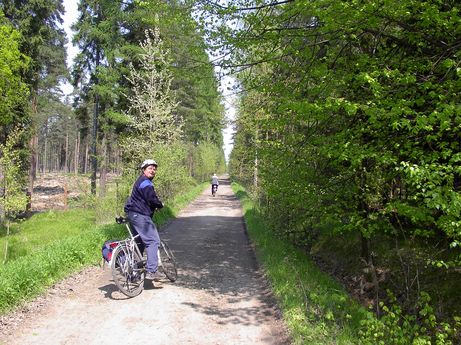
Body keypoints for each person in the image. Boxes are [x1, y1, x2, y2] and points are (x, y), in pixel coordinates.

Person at [124, 159, 164, 281]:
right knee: (153, 241)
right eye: (150, 168)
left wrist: (152, 206)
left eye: (154, 168)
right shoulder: (145, 182)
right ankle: (152, 271)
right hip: (140, 216)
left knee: (139, 244)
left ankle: (133, 274)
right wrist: (159, 204)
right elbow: (151, 198)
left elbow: (144, 199)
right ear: (143, 170)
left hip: (133, 214)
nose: (153, 170)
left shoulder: (140, 182)